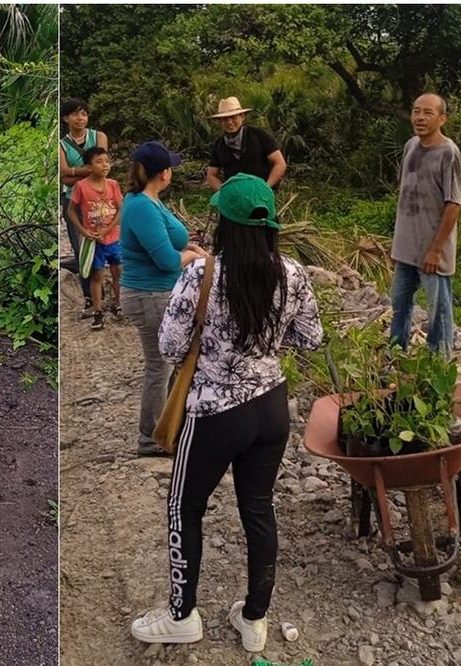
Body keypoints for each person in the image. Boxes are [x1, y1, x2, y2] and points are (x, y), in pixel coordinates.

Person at [130, 174, 322, 650]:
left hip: (214, 412)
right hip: (271, 408)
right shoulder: (293, 273)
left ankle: (181, 616)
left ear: (225, 223)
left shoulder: (201, 274)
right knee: (258, 509)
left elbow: (171, 346)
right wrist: (266, 347)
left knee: (184, 508)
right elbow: (311, 338)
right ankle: (255, 620)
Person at [119, 141, 208, 456]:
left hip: (159, 293)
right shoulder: (141, 206)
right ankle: (151, 437)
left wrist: (188, 252)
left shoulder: (149, 201)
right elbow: (166, 260)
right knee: (159, 365)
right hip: (149, 294)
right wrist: (190, 255)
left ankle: (170, 427)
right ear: (163, 173)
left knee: (171, 362)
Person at [389, 93, 461, 355]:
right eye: (416, 111)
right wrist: (396, 244)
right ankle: (396, 355)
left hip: (433, 251)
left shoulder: (449, 153)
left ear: (442, 118)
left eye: (428, 113)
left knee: (439, 312)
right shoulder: (410, 146)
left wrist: (436, 250)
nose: (420, 117)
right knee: (399, 304)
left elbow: (453, 204)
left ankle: (440, 363)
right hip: (405, 248)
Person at [59, 98, 109, 316]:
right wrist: (88, 171)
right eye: (76, 114)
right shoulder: (60, 144)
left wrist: (73, 172)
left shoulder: (98, 137)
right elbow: (62, 176)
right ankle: (89, 296)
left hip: (98, 200)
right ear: (66, 118)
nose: (81, 118)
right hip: (72, 201)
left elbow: (102, 166)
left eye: (84, 114)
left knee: (102, 245)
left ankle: (104, 293)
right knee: (81, 250)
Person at [68, 146, 123, 330]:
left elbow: (121, 210)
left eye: (107, 161)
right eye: (99, 162)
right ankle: (98, 311)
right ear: (89, 166)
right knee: (97, 274)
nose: (104, 165)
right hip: (94, 241)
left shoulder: (113, 185)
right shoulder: (81, 187)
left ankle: (118, 303)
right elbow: (71, 211)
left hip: (113, 238)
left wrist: (108, 229)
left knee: (118, 271)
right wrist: (83, 230)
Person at [205, 96, 286, 191]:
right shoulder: (219, 144)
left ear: (242, 116)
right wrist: (224, 191)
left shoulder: (258, 135)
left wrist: (266, 187)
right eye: (225, 119)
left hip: (262, 195)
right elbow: (211, 176)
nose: (229, 122)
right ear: (220, 121)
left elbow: (280, 163)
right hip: (235, 197)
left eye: (233, 117)